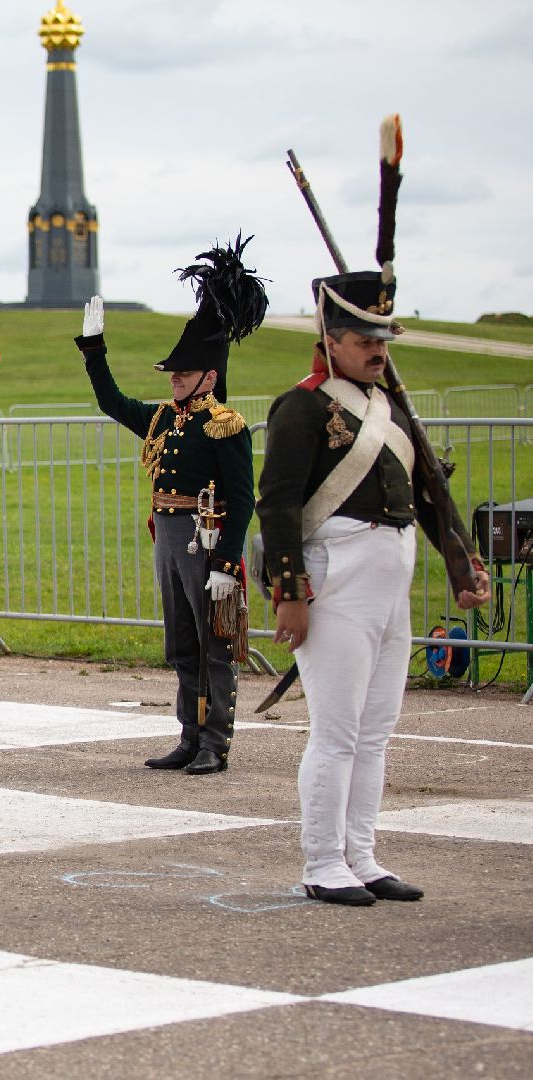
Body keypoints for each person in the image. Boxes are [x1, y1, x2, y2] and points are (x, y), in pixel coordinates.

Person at [257, 270, 489, 906]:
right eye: (364, 339)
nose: (378, 350)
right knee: (336, 731)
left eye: (383, 337)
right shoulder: (302, 406)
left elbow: (428, 496)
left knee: (376, 730)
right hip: (338, 576)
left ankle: (360, 853)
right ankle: (323, 859)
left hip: (393, 576)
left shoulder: (391, 409)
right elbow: (277, 504)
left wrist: (462, 562)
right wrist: (290, 592)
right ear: (330, 339)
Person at [74, 236, 267, 775]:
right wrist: (95, 351)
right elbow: (111, 402)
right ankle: (188, 734)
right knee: (182, 642)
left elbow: (240, 496)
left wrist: (229, 561)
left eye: (183, 373)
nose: (174, 379)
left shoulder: (224, 425)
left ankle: (215, 741)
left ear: (208, 375)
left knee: (214, 643)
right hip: (170, 534)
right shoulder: (164, 418)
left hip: (207, 539)